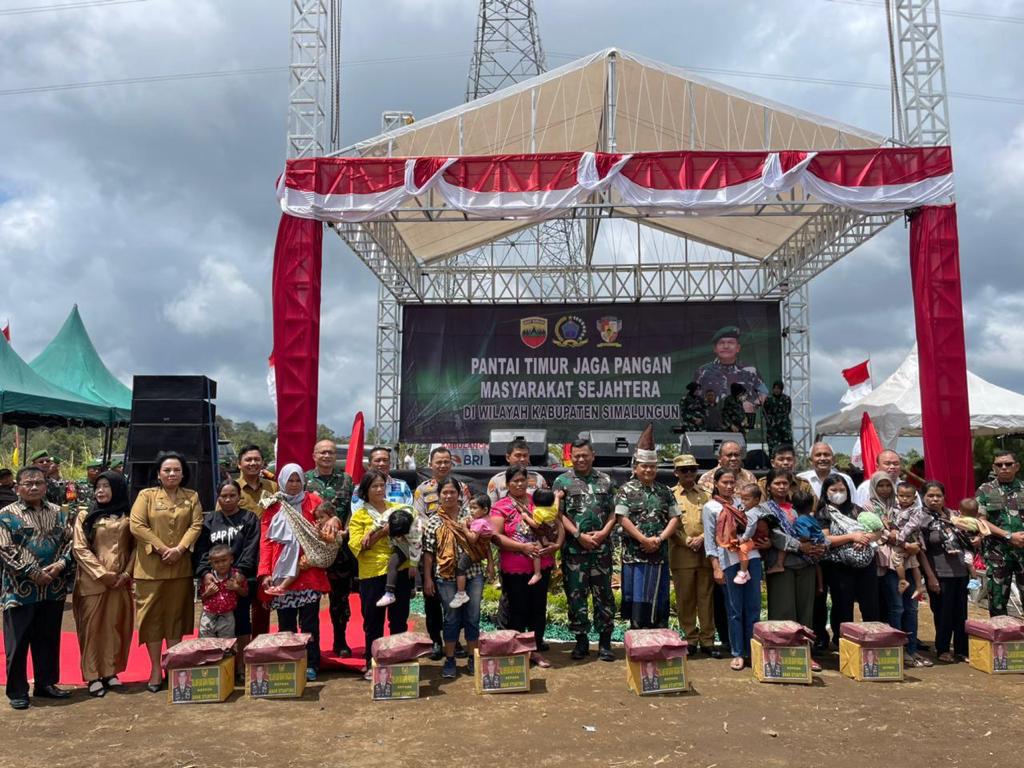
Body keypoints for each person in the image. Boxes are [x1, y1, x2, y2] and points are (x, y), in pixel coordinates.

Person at [0, 466, 74, 709]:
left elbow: (71, 543)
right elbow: (5, 550)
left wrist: (60, 565)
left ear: (46, 485)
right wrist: (32, 572)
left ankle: (46, 683)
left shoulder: (59, 513)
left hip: (53, 586)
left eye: (39, 483)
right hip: (19, 589)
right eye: (28, 483)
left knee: (48, 639)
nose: (34, 487)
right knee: (17, 642)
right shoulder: (6, 515)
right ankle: (18, 691)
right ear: (17, 487)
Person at [130, 451, 204, 693]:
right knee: (151, 620)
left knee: (175, 619)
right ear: (158, 474)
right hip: (150, 569)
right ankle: (153, 669)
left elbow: (196, 524)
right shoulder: (146, 495)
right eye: (167, 470)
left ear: (184, 473)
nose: (172, 474)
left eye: (176, 470)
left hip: (180, 568)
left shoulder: (191, 497)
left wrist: (180, 549)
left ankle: (172, 665)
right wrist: (163, 549)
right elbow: (137, 525)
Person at [258, 464, 330, 681]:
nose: (294, 484)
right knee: (286, 624)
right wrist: (265, 572)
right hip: (281, 574)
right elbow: (266, 541)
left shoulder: (314, 501)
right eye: (290, 480)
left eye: (298, 480)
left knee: (309, 624)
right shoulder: (273, 506)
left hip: (308, 570)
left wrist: (331, 523)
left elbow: (327, 522)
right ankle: (289, 663)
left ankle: (311, 664)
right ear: (281, 481)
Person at [552, 438, 617, 662]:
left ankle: (605, 644)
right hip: (574, 550)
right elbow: (558, 514)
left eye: (584, 455)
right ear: (571, 457)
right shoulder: (562, 481)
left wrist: (604, 533)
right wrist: (578, 535)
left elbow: (614, 512)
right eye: (576, 455)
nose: (580, 459)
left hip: (601, 550)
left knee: (604, 596)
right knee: (576, 596)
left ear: (593, 455)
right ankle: (581, 642)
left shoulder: (606, 480)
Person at [72, 470, 135, 698]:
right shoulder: (86, 515)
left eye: (106, 486)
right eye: (98, 486)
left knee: (114, 627)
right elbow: (79, 548)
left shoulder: (129, 514)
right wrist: (102, 574)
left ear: (117, 488)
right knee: (91, 629)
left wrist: (126, 574)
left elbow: (135, 547)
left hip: (120, 582)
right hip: (92, 582)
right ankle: (92, 675)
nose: (100, 490)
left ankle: (110, 671)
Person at [491, 465, 561, 668]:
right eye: (515, 481)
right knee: (517, 609)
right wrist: (522, 546)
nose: (520, 484)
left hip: (542, 563)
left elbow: (559, 522)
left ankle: (536, 650)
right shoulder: (501, 506)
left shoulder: (537, 500)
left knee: (538, 608)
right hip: (515, 567)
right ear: (507, 484)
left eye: (523, 480)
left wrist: (556, 545)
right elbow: (496, 537)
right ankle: (520, 651)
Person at [422, 477, 490, 678]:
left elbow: (485, 542)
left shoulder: (470, 516)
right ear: (439, 496)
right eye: (445, 492)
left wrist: (492, 565)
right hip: (446, 576)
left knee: (472, 617)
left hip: (474, 573)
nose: (449, 496)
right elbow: (428, 554)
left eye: (453, 492)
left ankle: (472, 658)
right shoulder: (433, 521)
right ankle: (450, 659)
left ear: (459, 495)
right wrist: (427, 579)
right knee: (451, 618)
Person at [349, 470, 414, 680]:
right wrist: (383, 532)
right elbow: (360, 545)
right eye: (374, 486)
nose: (379, 489)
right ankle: (372, 661)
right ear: (365, 491)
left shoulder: (397, 508)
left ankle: (399, 661)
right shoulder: (359, 516)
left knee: (399, 620)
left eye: (381, 485)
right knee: (373, 622)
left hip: (400, 572)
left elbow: (413, 534)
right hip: (372, 573)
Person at [616, 426, 681, 631]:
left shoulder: (664, 491)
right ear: (636, 467)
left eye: (652, 466)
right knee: (637, 600)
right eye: (644, 466)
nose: (648, 470)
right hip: (635, 555)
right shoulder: (626, 489)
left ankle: (659, 635)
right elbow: (622, 518)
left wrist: (659, 539)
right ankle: (637, 635)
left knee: (658, 599)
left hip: (659, 554)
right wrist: (643, 540)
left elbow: (675, 518)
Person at [760, 472, 826, 671]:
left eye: (785, 483)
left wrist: (817, 546)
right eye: (777, 483)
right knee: (783, 610)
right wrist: (800, 546)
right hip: (783, 566)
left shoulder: (799, 508)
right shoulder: (764, 509)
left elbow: (815, 531)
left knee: (806, 612)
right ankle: (781, 655)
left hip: (806, 565)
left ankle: (805, 654)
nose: (781, 487)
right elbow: (774, 535)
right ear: (769, 486)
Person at [414, 446, 473, 660]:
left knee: (455, 600)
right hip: (431, 549)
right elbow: (417, 516)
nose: (442, 465)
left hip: (457, 553)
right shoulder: (422, 490)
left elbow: (468, 513)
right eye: (438, 461)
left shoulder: (461, 487)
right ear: (431, 464)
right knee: (432, 599)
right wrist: (438, 527)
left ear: (451, 463)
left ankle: (455, 641)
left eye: (446, 461)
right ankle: (436, 641)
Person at [194, 480, 260, 654]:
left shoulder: (249, 518)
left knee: (242, 621)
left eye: (232, 495)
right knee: (213, 621)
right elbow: (201, 549)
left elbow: (251, 548)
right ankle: (216, 661)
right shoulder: (210, 520)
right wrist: (205, 574)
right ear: (218, 498)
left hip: (239, 580)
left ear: (239, 497)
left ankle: (240, 665)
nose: (228, 499)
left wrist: (241, 573)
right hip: (215, 580)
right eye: (224, 496)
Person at [704, 469, 759, 670]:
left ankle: (752, 650)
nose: (728, 486)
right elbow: (710, 541)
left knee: (753, 607)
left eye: (731, 482)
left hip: (751, 558)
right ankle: (737, 652)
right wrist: (716, 568)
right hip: (728, 562)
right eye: (724, 482)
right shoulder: (710, 507)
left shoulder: (741, 503)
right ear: (716, 483)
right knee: (734, 609)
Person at [816, 474, 880, 647]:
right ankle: (842, 641)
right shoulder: (823, 513)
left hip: (865, 566)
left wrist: (866, 538)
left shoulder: (857, 510)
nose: (838, 493)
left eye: (842, 489)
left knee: (870, 604)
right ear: (826, 492)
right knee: (843, 605)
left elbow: (878, 530)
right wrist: (852, 537)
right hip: (838, 568)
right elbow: (825, 540)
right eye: (834, 490)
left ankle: (871, 641)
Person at [304, 439, 354, 657]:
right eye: (322, 452)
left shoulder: (346, 480)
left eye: (331, 453)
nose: (326, 456)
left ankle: (340, 640)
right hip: (311, 550)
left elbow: (353, 510)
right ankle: (310, 646)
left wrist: (345, 528)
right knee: (309, 601)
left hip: (339, 551)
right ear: (314, 455)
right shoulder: (304, 480)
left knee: (340, 599)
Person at [670, 454, 718, 657]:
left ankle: (708, 641)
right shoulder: (670, 495)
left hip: (705, 554)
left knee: (706, 599)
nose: (689, 473)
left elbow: (715, 521)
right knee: (685, 599)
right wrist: (686, 540)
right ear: (676, 473)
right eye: (684, 470)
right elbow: (670, 523)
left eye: (692, 469)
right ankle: (690, 639)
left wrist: (703, 538)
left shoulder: (707, 494)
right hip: (682, 554)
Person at [919, 481, 971, 662]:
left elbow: (968, 539)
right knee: (943, 613)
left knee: (961, 613)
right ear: (923, 497)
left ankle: (961, 650)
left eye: (938, 496)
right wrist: (930, 576)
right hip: (939, 573)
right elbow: (921, 552)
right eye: (930, 496)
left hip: (961, 571)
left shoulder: (954, 516)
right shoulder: (921, 519)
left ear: (944, 497)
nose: (934, 499)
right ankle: (942, 649)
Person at [975, 451, 1024, 617]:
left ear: (1016, 466)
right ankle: (1000, 641)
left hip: (1023, 551)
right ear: (993, 468)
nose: (1004, 467)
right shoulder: (985, 490)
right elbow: (980, 520)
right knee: (997, 602)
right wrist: (1009, 536)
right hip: (998, 554)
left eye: (1008, 464)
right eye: (999, 465)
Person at [265, 501, 340, 596]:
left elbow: (330, 538)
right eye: (317, 518)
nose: (319, 520)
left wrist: (320, 534)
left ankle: (282, 587)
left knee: (297, 565)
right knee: (300, 563)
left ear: (331, 515)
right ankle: (281, 587)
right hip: (322, 556)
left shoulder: (332, 525)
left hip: (323, 557)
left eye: (322, 517)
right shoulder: (326, 525)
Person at [693, 325, 768, 408]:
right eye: (721, 343)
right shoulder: (703, 371)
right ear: (715, 348)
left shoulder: (751, 370)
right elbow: (694, 398)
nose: (726, 346)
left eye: (730, 343)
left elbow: (763, 392)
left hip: (741, 419)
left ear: (738, 348)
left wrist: (752, 405)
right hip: (714, 419)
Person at [450, 494, 495, 608]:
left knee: (460, 568)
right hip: (479, 551)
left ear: (485, 510)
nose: (471, 511)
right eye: (470, 508)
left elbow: (473, 539)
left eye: (474, 508)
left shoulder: (479, 522)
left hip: (473, 552)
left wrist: (464, 527)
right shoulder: (483, 520)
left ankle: (461, 593)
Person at [374, 506, 421, 608]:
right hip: (398, 543)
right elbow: (379, 521)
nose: (398, 538)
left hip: (409, 546)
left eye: (400, 535)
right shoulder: (390, 514)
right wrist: (370, 533)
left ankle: (390, 593)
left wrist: (413, 564)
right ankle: (411, 589)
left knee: (393, 564)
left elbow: (416, 546)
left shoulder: (415, 529)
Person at [198, 544, 248, 638]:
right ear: (211, 563)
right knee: (207, 644)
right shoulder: (208, 578)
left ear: (231, 560)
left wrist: (237, 587)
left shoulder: (236, 576)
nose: (221, 564)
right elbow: (202, 597)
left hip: (227, 615)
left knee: (227, 645)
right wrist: (208, 593)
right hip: (208, 615)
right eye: (216, 562)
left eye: (224, 560)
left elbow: (245, 593)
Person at [486, 438, 548, 503]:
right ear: (508, 457)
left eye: (525, 455)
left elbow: (546, 506)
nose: (522, 459)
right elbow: (492, 509)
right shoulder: (496, 481)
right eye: (518, 455)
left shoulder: (539, 479)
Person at [522, 488, 560, 586]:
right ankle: (554, 565)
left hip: (543, 535)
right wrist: (557, 497)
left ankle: (537, 573)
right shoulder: (553, 508)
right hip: (553, 534)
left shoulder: (538, 511)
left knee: (537, 552)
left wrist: (526, 517)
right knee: (551, 548)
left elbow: (536, 525)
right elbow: (557, 504)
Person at [762, 380, 793, 457]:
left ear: (781, 389)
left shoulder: (786, 399)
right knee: (773, 448)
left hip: (784, 427)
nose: (776, 390)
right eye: (775, 388)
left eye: (778, 388)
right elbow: (765, 412)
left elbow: (788, 411)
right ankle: (773, 466)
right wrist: (771, 421)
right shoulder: (768, 399)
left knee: (787, 447)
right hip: (773, 429)